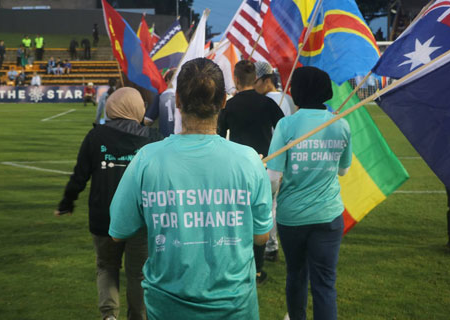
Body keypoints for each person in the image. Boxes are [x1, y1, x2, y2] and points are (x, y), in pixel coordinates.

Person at [108, 58, 273, 320]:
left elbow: (118, 231)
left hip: (169, 305)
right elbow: (260, 237)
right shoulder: (249, 160)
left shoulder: (147, 158)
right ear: (222, 102)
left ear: (177, 102)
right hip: (233, 305)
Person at [56, 87, 162, 320]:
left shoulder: (95, 137)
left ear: (111, 107)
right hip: (140, 219)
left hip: (104, 217)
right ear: (138, 108)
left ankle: (109, 316)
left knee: (106, 267)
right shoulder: (152, 138)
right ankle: (138, 316)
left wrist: (67, 202)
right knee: (139, 275)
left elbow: (79, 176)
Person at [267, 67, 351, 320]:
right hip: (328, 215)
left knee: (296, 274)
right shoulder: (341, 123)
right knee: (325, 284)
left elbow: (273, 178)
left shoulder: (287, 124)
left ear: (297, 92)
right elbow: (343, 170)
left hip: (292, 216)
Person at [217, 59, 284, 284]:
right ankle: (257, 269)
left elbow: (218, 136)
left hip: (236, 169)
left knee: (237, 217)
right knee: (260, 218)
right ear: (255, 78)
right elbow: (283, 129)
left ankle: (238, 262)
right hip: (264, 167)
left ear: (235, 79)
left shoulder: (229, 105)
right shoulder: (266, 103)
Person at [143, 69, 176, 137]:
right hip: (183, 141)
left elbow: (147, 121)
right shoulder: (187, 97)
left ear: (167, 81)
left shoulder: (160, 96)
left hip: (164, 139)